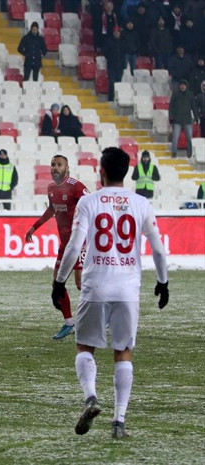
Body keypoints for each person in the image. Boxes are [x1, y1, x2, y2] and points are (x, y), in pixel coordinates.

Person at [52, 147, 168, 439]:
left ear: (101, 172)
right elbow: (157, 248)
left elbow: (74, 245)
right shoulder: (141, 203)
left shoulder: (89, 202)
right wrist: (163, 281)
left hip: (96, 285)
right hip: (127, 287)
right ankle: (118, 422)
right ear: (126, 172)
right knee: (123, 352)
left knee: (84, 348)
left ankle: (91, 397)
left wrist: (59, 281)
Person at [26, 154, 90, 339]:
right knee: (57, 284)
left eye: (59, 165)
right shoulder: (52, 188)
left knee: (81, 283)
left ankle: (104, 314)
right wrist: (34, 227)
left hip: (80, 241)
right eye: (52, 164)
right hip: (65, 245)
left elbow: (93, 206)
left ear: (67, 168)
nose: (55, 167)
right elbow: (52, 209)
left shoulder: (77, 186)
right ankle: (69, 323)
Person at [169, 79, 195, 158]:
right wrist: (171, 117)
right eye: (181, 85)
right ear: (179, 86)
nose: (182, 86)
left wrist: (196, 117)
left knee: (190, 138)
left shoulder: (190, 95)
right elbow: (171, 107)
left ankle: (190, 153)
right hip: (177, 120)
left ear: (186, 86)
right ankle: (174, 153)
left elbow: (194, 107)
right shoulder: (175, 95)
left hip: (187, 120)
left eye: (184, 85)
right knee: (175, 137)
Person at [103, 27, 127, 102]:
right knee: (111, 83)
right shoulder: (109, 41)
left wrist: (124, 64)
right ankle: (110, 99)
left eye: (118, 32)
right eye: (115, 32)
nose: (117, 33)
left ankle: (117, 99)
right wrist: (110, 58)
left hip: (120, 66)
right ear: (113, 33)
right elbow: (105, 52)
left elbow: (124, 53)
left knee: (118, 83)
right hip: (111, 66)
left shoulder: (123, 41)